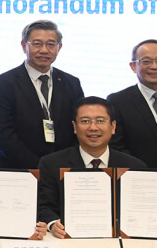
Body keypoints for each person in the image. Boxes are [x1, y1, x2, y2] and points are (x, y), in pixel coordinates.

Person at [38, 97, 149, 239]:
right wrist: (53, 224)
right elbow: (45, 206)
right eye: (85, 121)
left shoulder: (134, 166)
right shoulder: (51, 163)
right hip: (69, 240)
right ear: (74, 127)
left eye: (100, 121)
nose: (93, 127)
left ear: (113, 126)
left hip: (121, 241)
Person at [0, 20, 83, 170]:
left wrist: (63, 163)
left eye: (51, 44)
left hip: (64, 169)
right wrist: (40, 168)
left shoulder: (71, 83)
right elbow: (3, 134)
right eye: (37, 44)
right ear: (24, 45)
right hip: (19, 169)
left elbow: (79, 126)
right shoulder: (3, 84)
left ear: (59, 47)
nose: (44, 50)